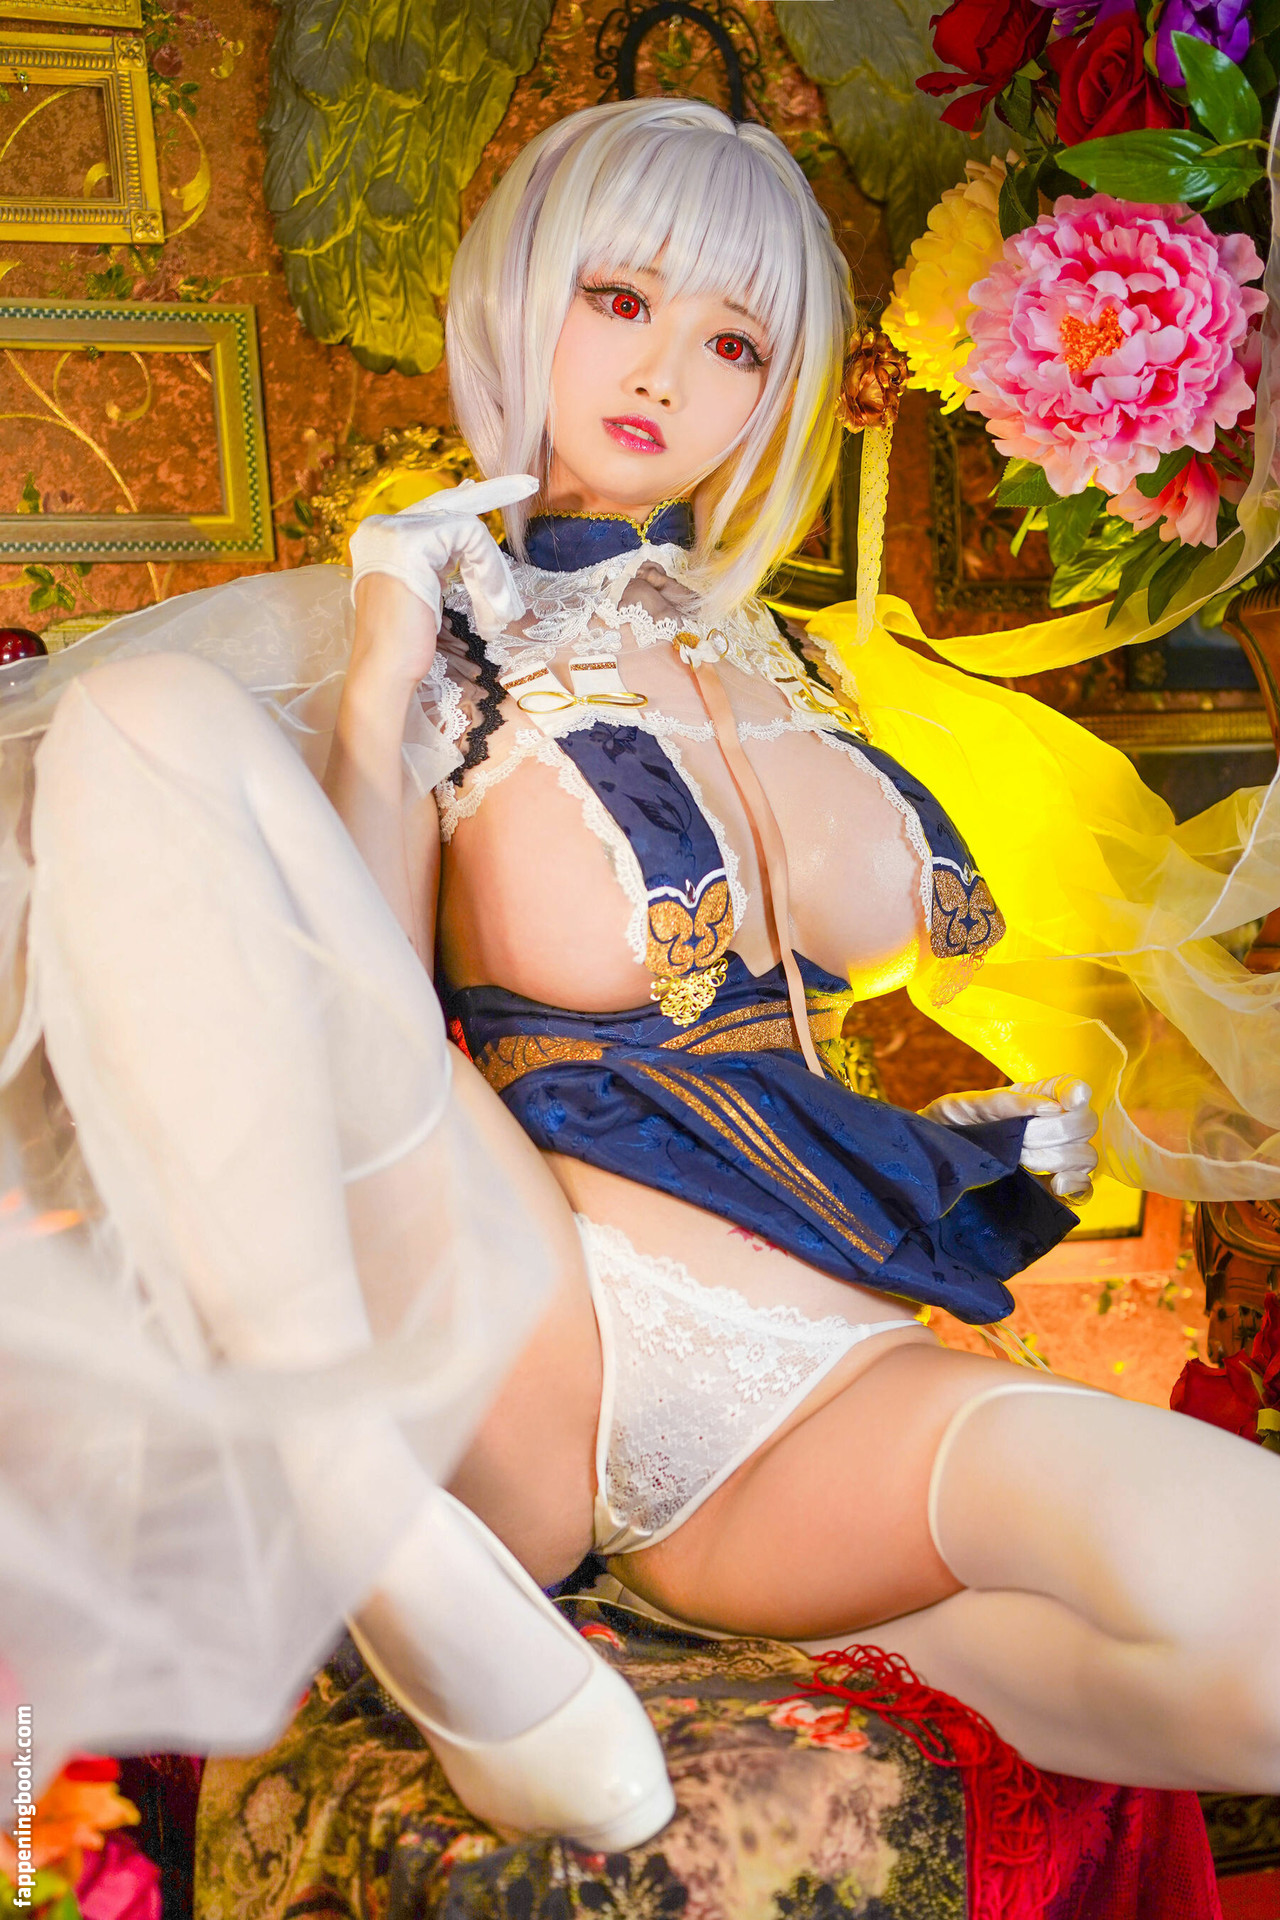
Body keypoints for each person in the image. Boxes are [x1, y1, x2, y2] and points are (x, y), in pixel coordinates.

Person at [5, 96, 1280, 1847]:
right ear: (520, 295)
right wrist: (382, 671)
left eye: (734, 341)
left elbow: (829, 1022)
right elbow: (338, 1015)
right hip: (519, 1325)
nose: (666, 371)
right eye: (619, 298)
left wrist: (980, 1141)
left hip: (821, 1384)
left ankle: (742, 1642)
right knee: (145, 725)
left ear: (778, 388)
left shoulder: (806, 663)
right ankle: (382, 1528)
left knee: (1258, 1640)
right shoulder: (427, 625)